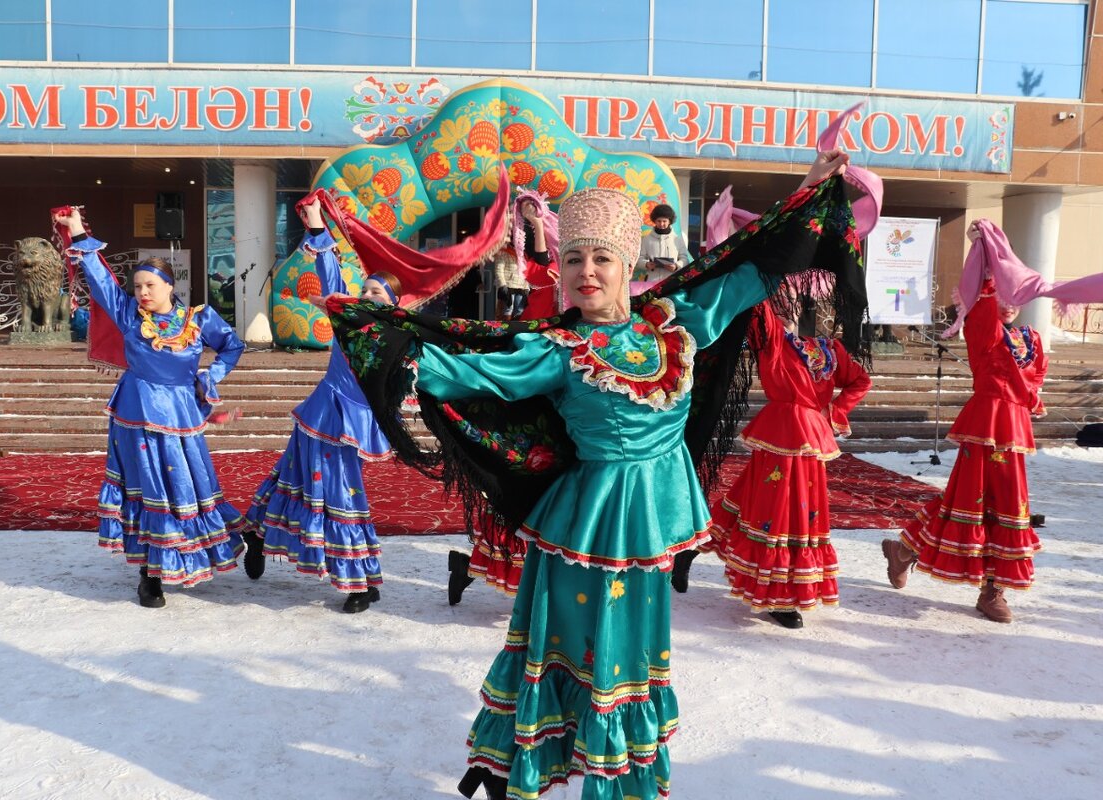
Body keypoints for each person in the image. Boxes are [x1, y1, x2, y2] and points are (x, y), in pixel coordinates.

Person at [324, 149, 858, 799]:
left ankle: (613, 777)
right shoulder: (555, 350)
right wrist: (387, 341)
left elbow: (749, 267)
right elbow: (467, 368)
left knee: (630, 658)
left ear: (628, 266)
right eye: (573, 259)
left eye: (601, 258)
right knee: (575, 653)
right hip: (586, 529)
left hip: (650, 529)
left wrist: (806, 194)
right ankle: (523, 763)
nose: (586, 272)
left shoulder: (677, 323)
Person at [54, 207, 247, 608]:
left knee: (187, 486)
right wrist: (76, 232)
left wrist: (212, 377)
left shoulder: (198, 319)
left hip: (180, 414)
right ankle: (150, 575)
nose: (142, 292)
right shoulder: (130, 317)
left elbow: (232, 345)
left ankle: (228, 541)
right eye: (138, 285)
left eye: (149, 285)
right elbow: (103, 282)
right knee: (148, 491)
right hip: (137, 416)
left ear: (169, 286)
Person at [882, 221, 1047, 623]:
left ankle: (993, 590)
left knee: (1011, 508)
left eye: (1016, 294)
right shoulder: (984, 332)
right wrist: (987, 257)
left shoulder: (1033, 340)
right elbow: (985, 301)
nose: (1009, 302)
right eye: (1003, 293)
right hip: (984, 425)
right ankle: (904, 551)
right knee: (965, 504)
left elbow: (1034, 381)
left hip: (1014, 431)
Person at [242, 200, 395, 614]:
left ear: (392, 304)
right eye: (365, 290)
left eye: (376, 293)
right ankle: (356, 582)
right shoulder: (349, 322)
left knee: (304, 484)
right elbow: (331, 279)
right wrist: (315, 227)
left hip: (355, 423)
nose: (366, 296)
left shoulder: (397, 340)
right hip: (324, 414)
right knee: (338, 494)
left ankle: (257, 533)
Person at [685, 291, 871, 628]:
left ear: (803, 305)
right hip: (780, 434)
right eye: (779, 299)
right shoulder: (771, 339)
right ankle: (778, 594)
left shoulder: (829, 349)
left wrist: (835, 411)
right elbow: (758, 307)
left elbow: (861, 380)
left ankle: (692, 548)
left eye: (792, 300)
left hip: (810, 436)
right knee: (778, 510)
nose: (786, 306)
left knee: (765, 502)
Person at [448, 194, 557, 605]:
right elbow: (542, 267)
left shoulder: (592, 306)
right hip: (532, 411)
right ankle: (472, 566)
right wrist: (536, 224)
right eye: (577, 259)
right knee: (521, 500)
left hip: (565, 415)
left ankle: (482, 569)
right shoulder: (548, 291)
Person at [635, 203, 690, 283]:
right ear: (654, 221)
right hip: (651, 282)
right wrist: (646, 264)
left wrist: (676, 266)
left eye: (664, 221)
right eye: (659, 221)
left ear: (669, 221)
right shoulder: (646, 239)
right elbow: (639, 258)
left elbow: (685, 259)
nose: (661, 224)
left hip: (671, 282)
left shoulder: (677, 239)